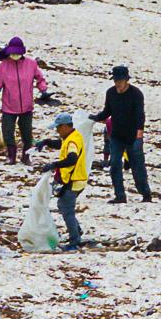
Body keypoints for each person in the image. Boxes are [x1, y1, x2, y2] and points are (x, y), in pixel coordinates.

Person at [92, 65, 151, 203]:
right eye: (115, 80)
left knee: (137, 168)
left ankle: (146, 194)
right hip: (116, 135)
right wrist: (94, 118)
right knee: (115, 166)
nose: (117, 83)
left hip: (133, 136)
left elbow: (140, 116)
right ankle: (120, 196)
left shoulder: (136, 94)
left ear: (126, 80)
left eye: (120, 80)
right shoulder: (111, 93)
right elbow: (107, 111)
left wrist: (139, 134)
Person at [0, 36, 45, 164]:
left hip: (26, 106)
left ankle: (26, 156)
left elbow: (40, 78)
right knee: (7, 132)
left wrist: (43, 91)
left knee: (27, 134)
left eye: (17, 53)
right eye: (13, 53)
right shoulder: (3, 66)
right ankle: (11, 156)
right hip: (9, 106)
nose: (15, 55)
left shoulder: (31, 64)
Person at [38, 112, 86, 251]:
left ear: (65, 126)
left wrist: (54, 165)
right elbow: (60, 144)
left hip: (74, 179)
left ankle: (74, 241)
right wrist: (46, 142)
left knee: (66, 208)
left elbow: (72, 158)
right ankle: (77, 231)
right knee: (64, 206)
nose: (57, 130)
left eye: (58, 127)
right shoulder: (72, 136)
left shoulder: (72, 141)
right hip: (75, 179)